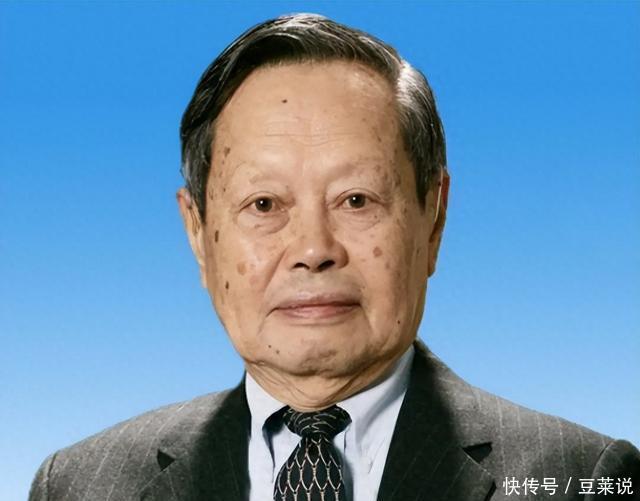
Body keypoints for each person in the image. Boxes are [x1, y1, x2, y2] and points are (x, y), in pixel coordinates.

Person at [29, 13, 639, 501]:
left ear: (433, 217)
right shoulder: (81, 485)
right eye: (264, 204)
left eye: (356, 199)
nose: (314, 251)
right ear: (197, 231)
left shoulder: (582, 479)